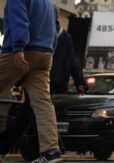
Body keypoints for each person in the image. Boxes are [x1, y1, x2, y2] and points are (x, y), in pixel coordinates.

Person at [0, 0, 62, 163]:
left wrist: (18, 48)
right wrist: (49, 51)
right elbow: (55, 32)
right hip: (45, 55)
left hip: (20, 51)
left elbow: (20, 21)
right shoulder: (47, 1)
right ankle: (51, 151)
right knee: (42, 103)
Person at [0, 19, 87, 156]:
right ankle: (50, 148)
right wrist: (79, 82)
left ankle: (51, 148)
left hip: (39, 77)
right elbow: (73, 60)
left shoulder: (42, 32)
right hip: (53, 80)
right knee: (32, 113)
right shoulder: (65, 36)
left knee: (31, 113)